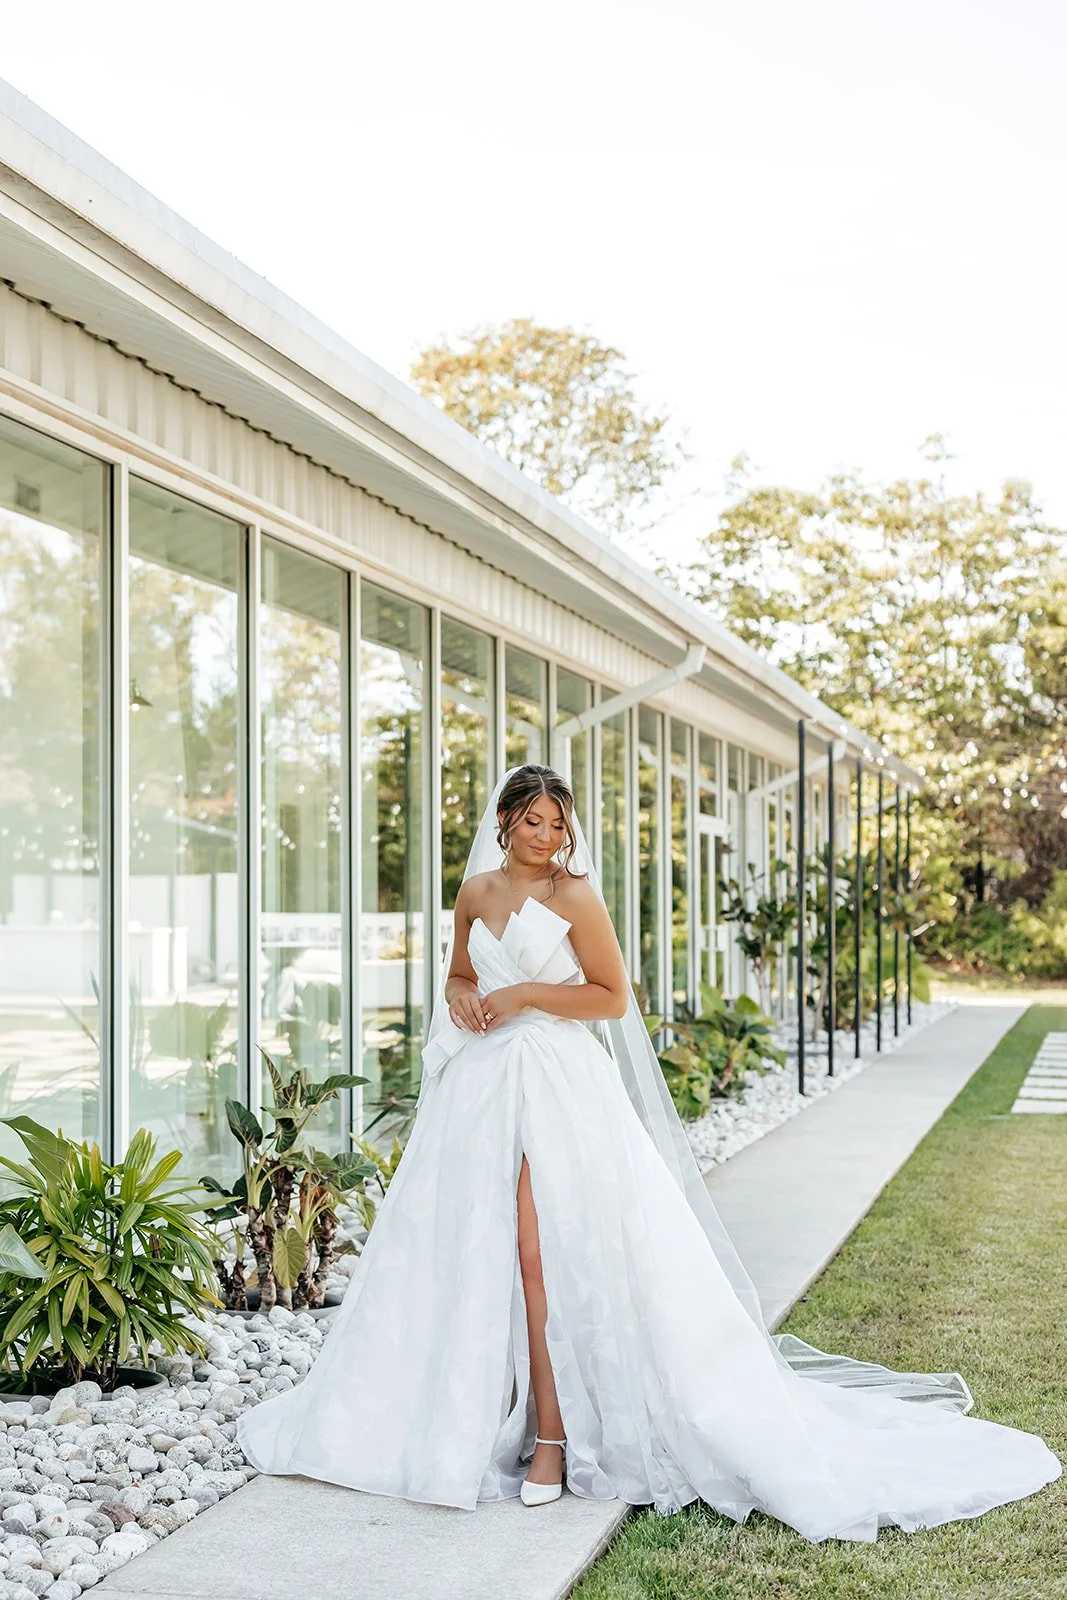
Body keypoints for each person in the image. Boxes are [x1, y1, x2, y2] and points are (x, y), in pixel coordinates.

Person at [237, 764, 1061, 1540]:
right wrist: (463, 1001)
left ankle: (554, 1437)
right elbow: (458, 975)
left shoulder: (576, 896)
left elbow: (608, 997)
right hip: (480, 1091)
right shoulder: (476, 891)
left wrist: (522, 993)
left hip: (557, 1085)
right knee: (470, 1248)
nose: (547, 837)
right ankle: (477, 1413)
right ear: (502, 822)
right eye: (533, 821)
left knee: (541, 1252)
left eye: (558, 824)